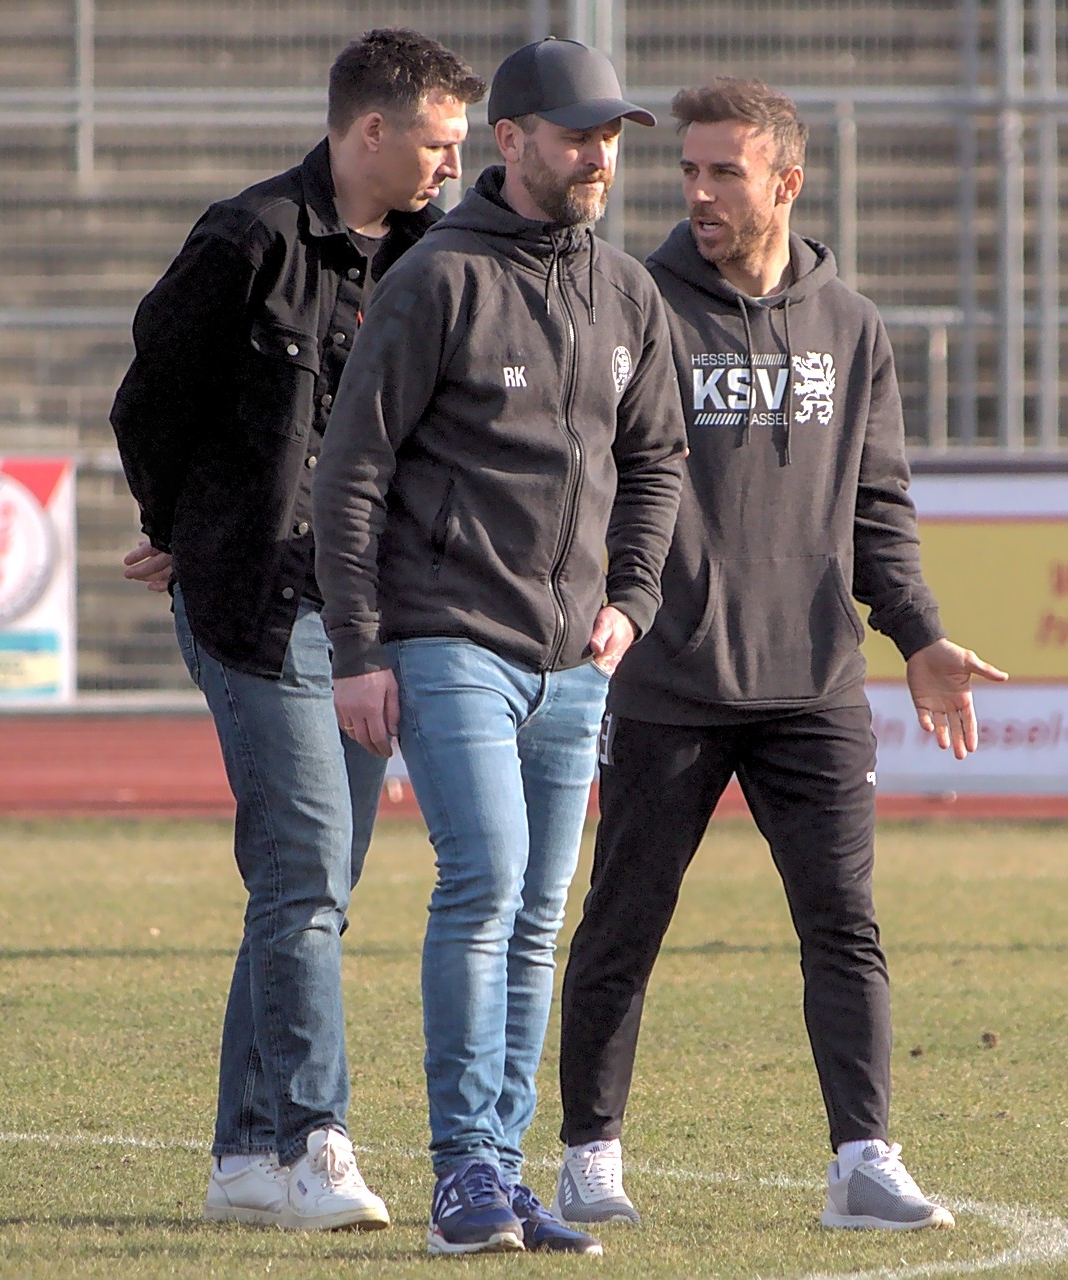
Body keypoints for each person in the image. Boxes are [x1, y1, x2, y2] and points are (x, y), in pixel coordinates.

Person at [553, 77, 1009, 1234]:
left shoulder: (850, 326)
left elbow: (879, 505)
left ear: (787, 183)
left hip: (813, 683)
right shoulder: (638, 302)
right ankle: (588, 1156)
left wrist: (918, 633)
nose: (699, 192)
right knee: (623, 921)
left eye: (726, 172)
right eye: (689, 170)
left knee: (844, 924)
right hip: (668, 677)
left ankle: (863, 1159)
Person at [107, 28, 485, 1232]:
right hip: (257, 605)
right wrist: (185, 523)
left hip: (367, 613)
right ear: (371, 130)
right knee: (310, 870)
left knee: (306, 880)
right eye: (439, 143)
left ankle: (244, 1156)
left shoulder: (436, 252)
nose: (453, 165)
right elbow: (149, 399)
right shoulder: (249, 238)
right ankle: (318, 1138)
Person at [312, 37, 685, 1256]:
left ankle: (506, 1173)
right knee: (485, 884)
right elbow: (352, 471)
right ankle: (466, 1169)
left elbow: (658, 461)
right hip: (448, 636)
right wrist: (359, 646)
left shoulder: (627, 290)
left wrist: (632, 596)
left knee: (534, 914)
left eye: (610, 137)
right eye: (577, 136)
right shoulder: (439, 278)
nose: (598, 156)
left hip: (576, 658)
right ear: (511, 141)